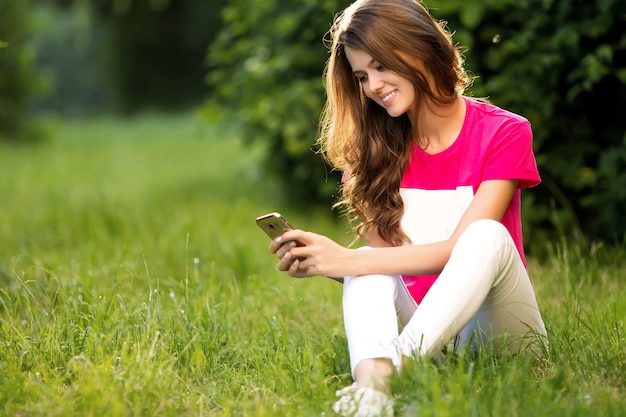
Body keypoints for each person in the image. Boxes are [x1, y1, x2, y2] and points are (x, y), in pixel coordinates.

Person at [269, 0, 548, 415]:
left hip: (500, 332)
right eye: (362, 76)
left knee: (485, 236)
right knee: (368, 260)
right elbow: (386, 267)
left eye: (381, 66)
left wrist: (343, 260)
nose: (373, 85)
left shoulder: (503, 132)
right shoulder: (370, 156)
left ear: (419, 48)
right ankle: (375, 393)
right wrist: (328, 263)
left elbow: (460, 253)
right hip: (425, 332)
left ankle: (389, 374)